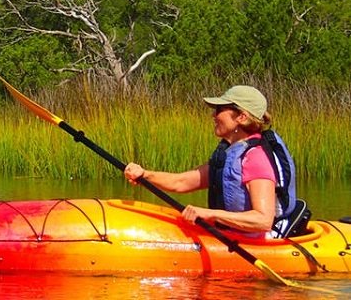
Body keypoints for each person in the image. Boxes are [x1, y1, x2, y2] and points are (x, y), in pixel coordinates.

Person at [123, 85, 298, 239]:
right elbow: (180, 183)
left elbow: (263, 220)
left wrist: (209, 214)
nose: (213, 115)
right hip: (230, 234)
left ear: (242, 117)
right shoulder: (231, 155)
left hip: (255, 241)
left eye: (219, 109)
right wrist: (144, 174)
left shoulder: (255, 158)